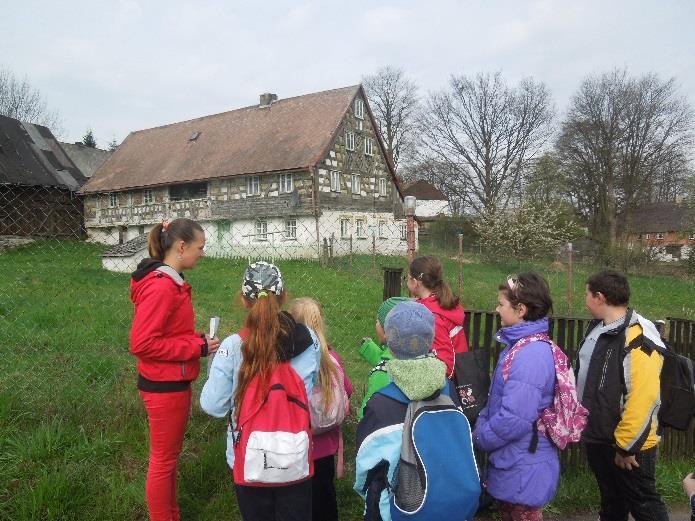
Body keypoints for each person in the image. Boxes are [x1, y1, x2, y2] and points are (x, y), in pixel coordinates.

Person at [200, 261, 320, 521]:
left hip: (248, 459)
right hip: (296, 453)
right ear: (284, 297)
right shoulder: (309, 340)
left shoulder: (233, 346)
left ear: (244, 300)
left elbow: (213, 406)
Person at [129, 218, 220, 521]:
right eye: (200, 247)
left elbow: (168, 333)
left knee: (167, 458)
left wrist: (197, 340)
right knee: (163, 461)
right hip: (164, 387)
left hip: (171, 382)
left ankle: (171, 514)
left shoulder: (170, 282)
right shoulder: (162, 288)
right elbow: (142, 343)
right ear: (181, 247)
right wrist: (195, 349)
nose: (202, 253)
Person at [576, 270, 667, 521]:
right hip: (600, 437)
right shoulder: (598, 328)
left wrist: (626, 447)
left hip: (629, 445)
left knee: (644, 506)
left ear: (599, 297)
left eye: (587, 294)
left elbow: (644, 397)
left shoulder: (639, 336)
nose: (585, 300)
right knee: (612, 502)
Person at [473, 272, 559, 521]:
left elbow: (515, 419)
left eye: (501, 304)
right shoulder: (521, 346)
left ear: (520, 309)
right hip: (518, 460)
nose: (497, 310)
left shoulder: (529, 354)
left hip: (523, 464)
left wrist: (480, 436)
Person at [354, 301, 449, 520]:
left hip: (395, 505)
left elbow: (365, 465)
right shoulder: (446, 387)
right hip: (437, 491)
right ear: (430, 339)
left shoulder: (380, 401)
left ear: (390, 339)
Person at [289, 297, 353, 521]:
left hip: (298, 446)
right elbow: (348, 390)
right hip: (326, 447)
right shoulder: (331, 357)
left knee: (299, 501)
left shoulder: (290, 359)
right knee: (325, 498)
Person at [406, 255, 468, 378]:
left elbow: (444, 364)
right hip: (456, 374)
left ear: (415, 282)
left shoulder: (431, 317)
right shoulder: (438, 304)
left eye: (407, 278)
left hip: (443, 386)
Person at [357, 296, 409, 419]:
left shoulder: (382, 374)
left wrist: (361, 417)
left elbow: (368, 413)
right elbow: (388, 358)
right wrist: (369, 348)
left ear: (387, 331)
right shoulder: (416, 357)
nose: (376, 323)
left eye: (378, 321)